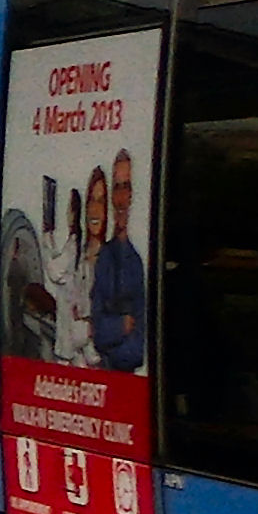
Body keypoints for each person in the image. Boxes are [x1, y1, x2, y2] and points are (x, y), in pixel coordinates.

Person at [90, 149, 148, 374]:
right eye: (117, 187)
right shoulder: (106, 257)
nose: (122, 197)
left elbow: (138, 348)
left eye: (127, 187)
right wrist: (121, 326)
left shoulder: (136, 260)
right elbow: (98, 330)